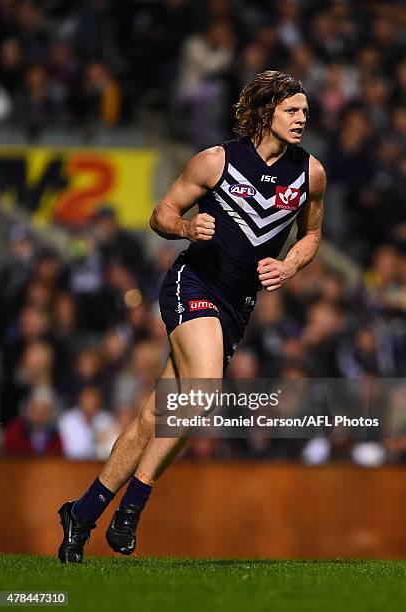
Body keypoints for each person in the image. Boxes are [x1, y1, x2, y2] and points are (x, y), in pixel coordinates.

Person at [57, 70, 326, 563]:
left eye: (305, 111)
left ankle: (83, 511)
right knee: (203, 390)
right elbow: (159, 214)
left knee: (154, 418)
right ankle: (133, 506)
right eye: (293, 110)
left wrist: (289, 263)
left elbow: (311, 235)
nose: (303, 118)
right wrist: (185, 224)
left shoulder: (310, 173)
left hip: (237, 308)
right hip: (193, 284)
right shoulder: (216, 161)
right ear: (266, 112)